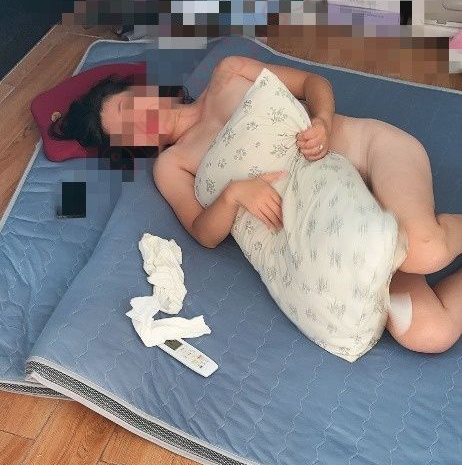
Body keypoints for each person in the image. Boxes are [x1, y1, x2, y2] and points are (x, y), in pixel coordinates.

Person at [50, 54, 462, 355]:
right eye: (126, 131)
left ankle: (434, 234)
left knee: (423, 251)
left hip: (371, 157)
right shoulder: (172, 165)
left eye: (128, 107)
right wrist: (233, 195)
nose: (140, 121)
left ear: (140, 90)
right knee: (428, 333)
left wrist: (322, 120)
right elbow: (203, 232)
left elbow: (312, 82)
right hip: (336, 226)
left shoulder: (229, 72)